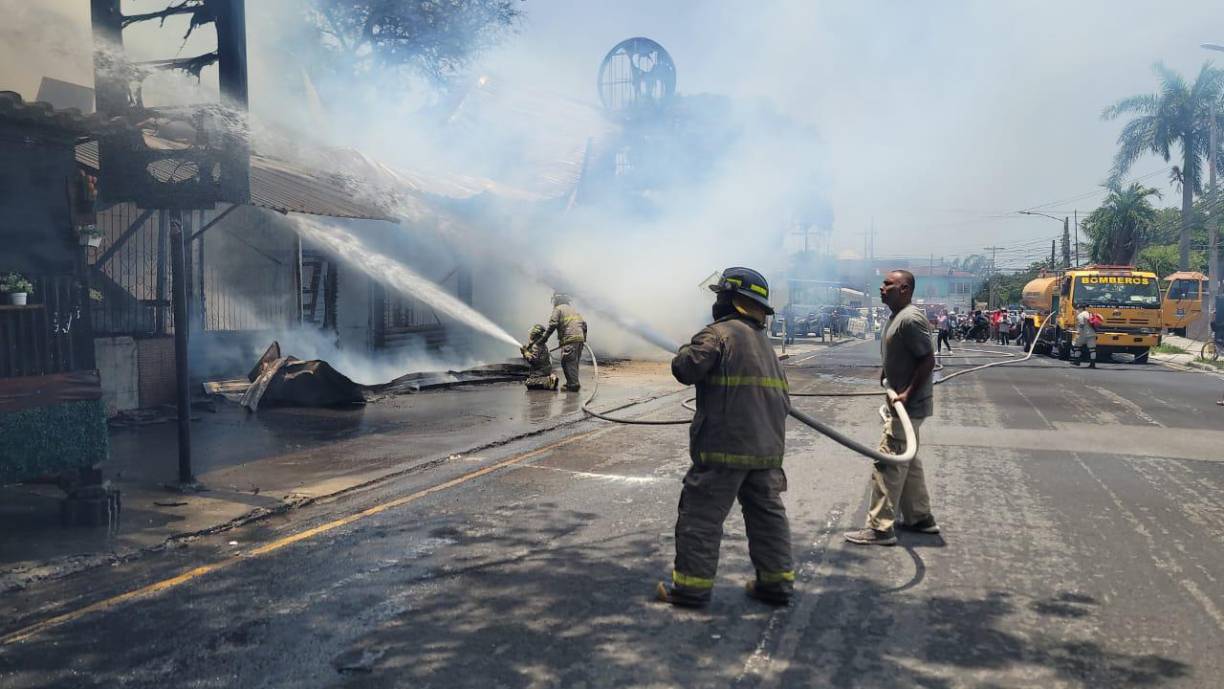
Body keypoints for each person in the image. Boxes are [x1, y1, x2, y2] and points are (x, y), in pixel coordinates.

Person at [658, 267, 794, 608]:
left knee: (700, 519)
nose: (716, 302)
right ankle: (776, 585)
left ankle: (690, 590)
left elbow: (686, 368)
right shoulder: (765, 345)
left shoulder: (717, 334)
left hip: (724, 449)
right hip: (767, 452)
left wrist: (686, 350)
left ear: (732, 299)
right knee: (767, 519)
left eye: (721, 295)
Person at [845, 270, 939, 546]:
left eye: (888, 284)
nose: (881, 287)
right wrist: (887, 371)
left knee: (888, 462)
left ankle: (880, 528)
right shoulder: (896, 317)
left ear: (904, 289)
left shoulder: (910, 319)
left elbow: (927, 359)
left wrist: (906, 394)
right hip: (903, 404)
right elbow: (903, 354)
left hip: (907, 406)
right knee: (908, 462)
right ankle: (920, 517)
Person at [531, 293, 587, 391]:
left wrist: (543, 339)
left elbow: (553, 324)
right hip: (579, 340)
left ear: (557, 300)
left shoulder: (558, 309)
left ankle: (573, 385)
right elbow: (584, 325)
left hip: (569, 340)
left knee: (567, 362)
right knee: (573, 362)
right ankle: (572, 383)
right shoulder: (572, 310)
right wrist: (583, 339)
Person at [520, 324, 558, 390]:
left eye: (531, 334)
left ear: (534, 335)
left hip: (539, 374)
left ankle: (548, 381)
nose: (529, 335)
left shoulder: (536, 346)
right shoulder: (541, 344)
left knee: (529, 383)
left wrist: (526, 352)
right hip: (544, 372)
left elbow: (534, 360)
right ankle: (549, 379)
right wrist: (525, 352)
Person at [1071, 304, 1097, 368]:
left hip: (1082, 334)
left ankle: (1077, 361)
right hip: (1092, 333)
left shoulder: (1080, 315)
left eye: (1077, 308)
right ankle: (1092, 364)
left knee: (1077, 346)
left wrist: (1078, 333)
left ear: (1081, 308)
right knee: (1092, 349)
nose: (1077, 310)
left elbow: (1081, 324)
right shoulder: (1089, 314)